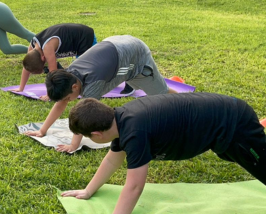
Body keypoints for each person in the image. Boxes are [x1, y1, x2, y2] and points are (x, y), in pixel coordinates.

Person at [61, 94, 266, 214]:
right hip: (223, 123)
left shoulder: (135, 133)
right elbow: (113, 159)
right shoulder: (122, 119)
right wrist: (88, 190)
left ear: (97, 134)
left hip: (233, 123)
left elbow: (134, 187)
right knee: (260, 160)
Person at [23, 35, 176, 153]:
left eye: (69, 98)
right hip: (118, 48)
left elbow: (85, 117)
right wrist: (42, 130)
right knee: (143, 87)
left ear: (75, 87)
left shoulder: (93, 84)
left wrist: (73, 144)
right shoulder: (68, 76)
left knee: (161, 95)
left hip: (136, 55)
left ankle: (186, 103)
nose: (68, 101)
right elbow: (60, 102)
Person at [15, 23, 100, 98]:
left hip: (84, 37)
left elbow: (53, 74)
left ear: (43, 58)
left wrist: (49, 95)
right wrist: (21, 88)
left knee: (87, 69)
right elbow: (26, 66)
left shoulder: (47, 48)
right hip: (74, 38)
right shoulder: (32, 47)